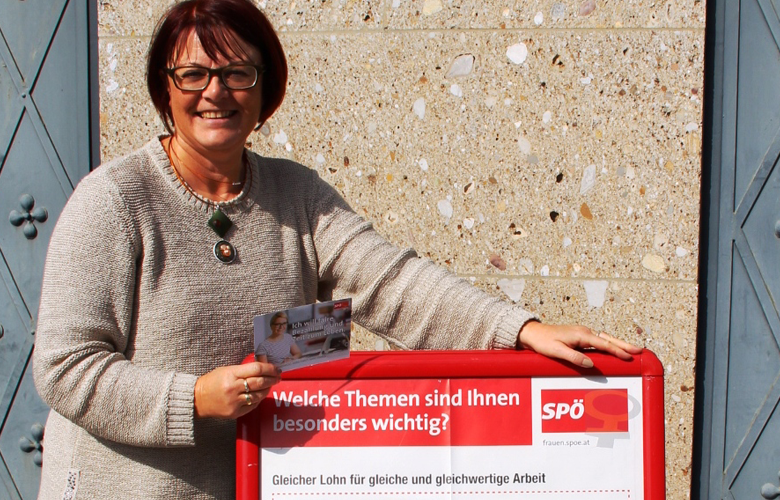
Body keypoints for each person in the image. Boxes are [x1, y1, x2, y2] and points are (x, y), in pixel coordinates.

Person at [32, 0, 642, 498]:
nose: (215, 92)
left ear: (264, 89)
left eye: (238, 73)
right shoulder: (115, 199)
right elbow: (64, 368)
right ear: (165, 89)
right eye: (192, 74)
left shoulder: (296, 194)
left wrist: (519, 330)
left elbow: (393, 283)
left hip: (257, 487)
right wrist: (192, 399)